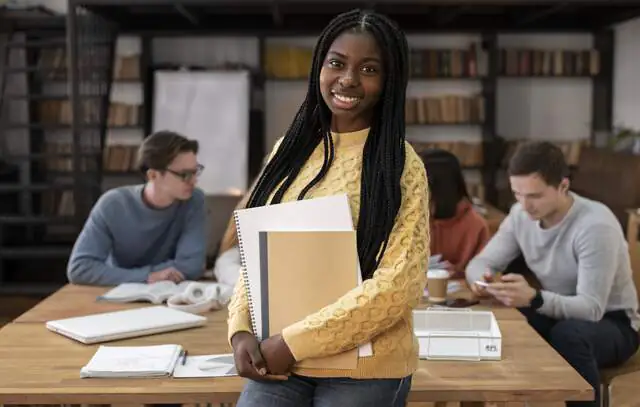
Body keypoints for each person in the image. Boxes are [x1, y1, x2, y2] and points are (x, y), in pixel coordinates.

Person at [227, 9, 429, 407]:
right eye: (337, 63)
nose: (348, 79)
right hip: (281, 359)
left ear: (389, 82)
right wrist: (239, 329)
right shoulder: (287, 153)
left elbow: (398, 286)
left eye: (369, 69)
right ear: (320, 66)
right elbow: (257, 251)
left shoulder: (402, 165)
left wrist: (293, 342)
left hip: (364, 366)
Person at [466, 141, 640, 407]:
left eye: (535, 196)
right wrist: (484, 282)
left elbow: (592, 308)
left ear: (563, 186)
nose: (525, 206)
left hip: (615, 323)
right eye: (517, 194)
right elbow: (480, 263)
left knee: (568, 335)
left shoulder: (595, 225)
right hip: (560, 314)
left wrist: (534, 298)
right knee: (504, 318)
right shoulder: (519, 215)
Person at [67, 130, 207, 286]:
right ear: (153, 175)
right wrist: (148, 276)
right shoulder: (112, 204)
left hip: (170, 293)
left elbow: (192, 266)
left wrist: (121, 275)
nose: (194, 181)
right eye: (185, 174)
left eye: (196, 171)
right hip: (118, 292)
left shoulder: (194, 200)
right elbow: (80, 268)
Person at [420, 148, 490, 278]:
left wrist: (459, 273)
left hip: (459, 293)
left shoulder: (475, 225)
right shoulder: (406, 218)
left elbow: (484, 274)